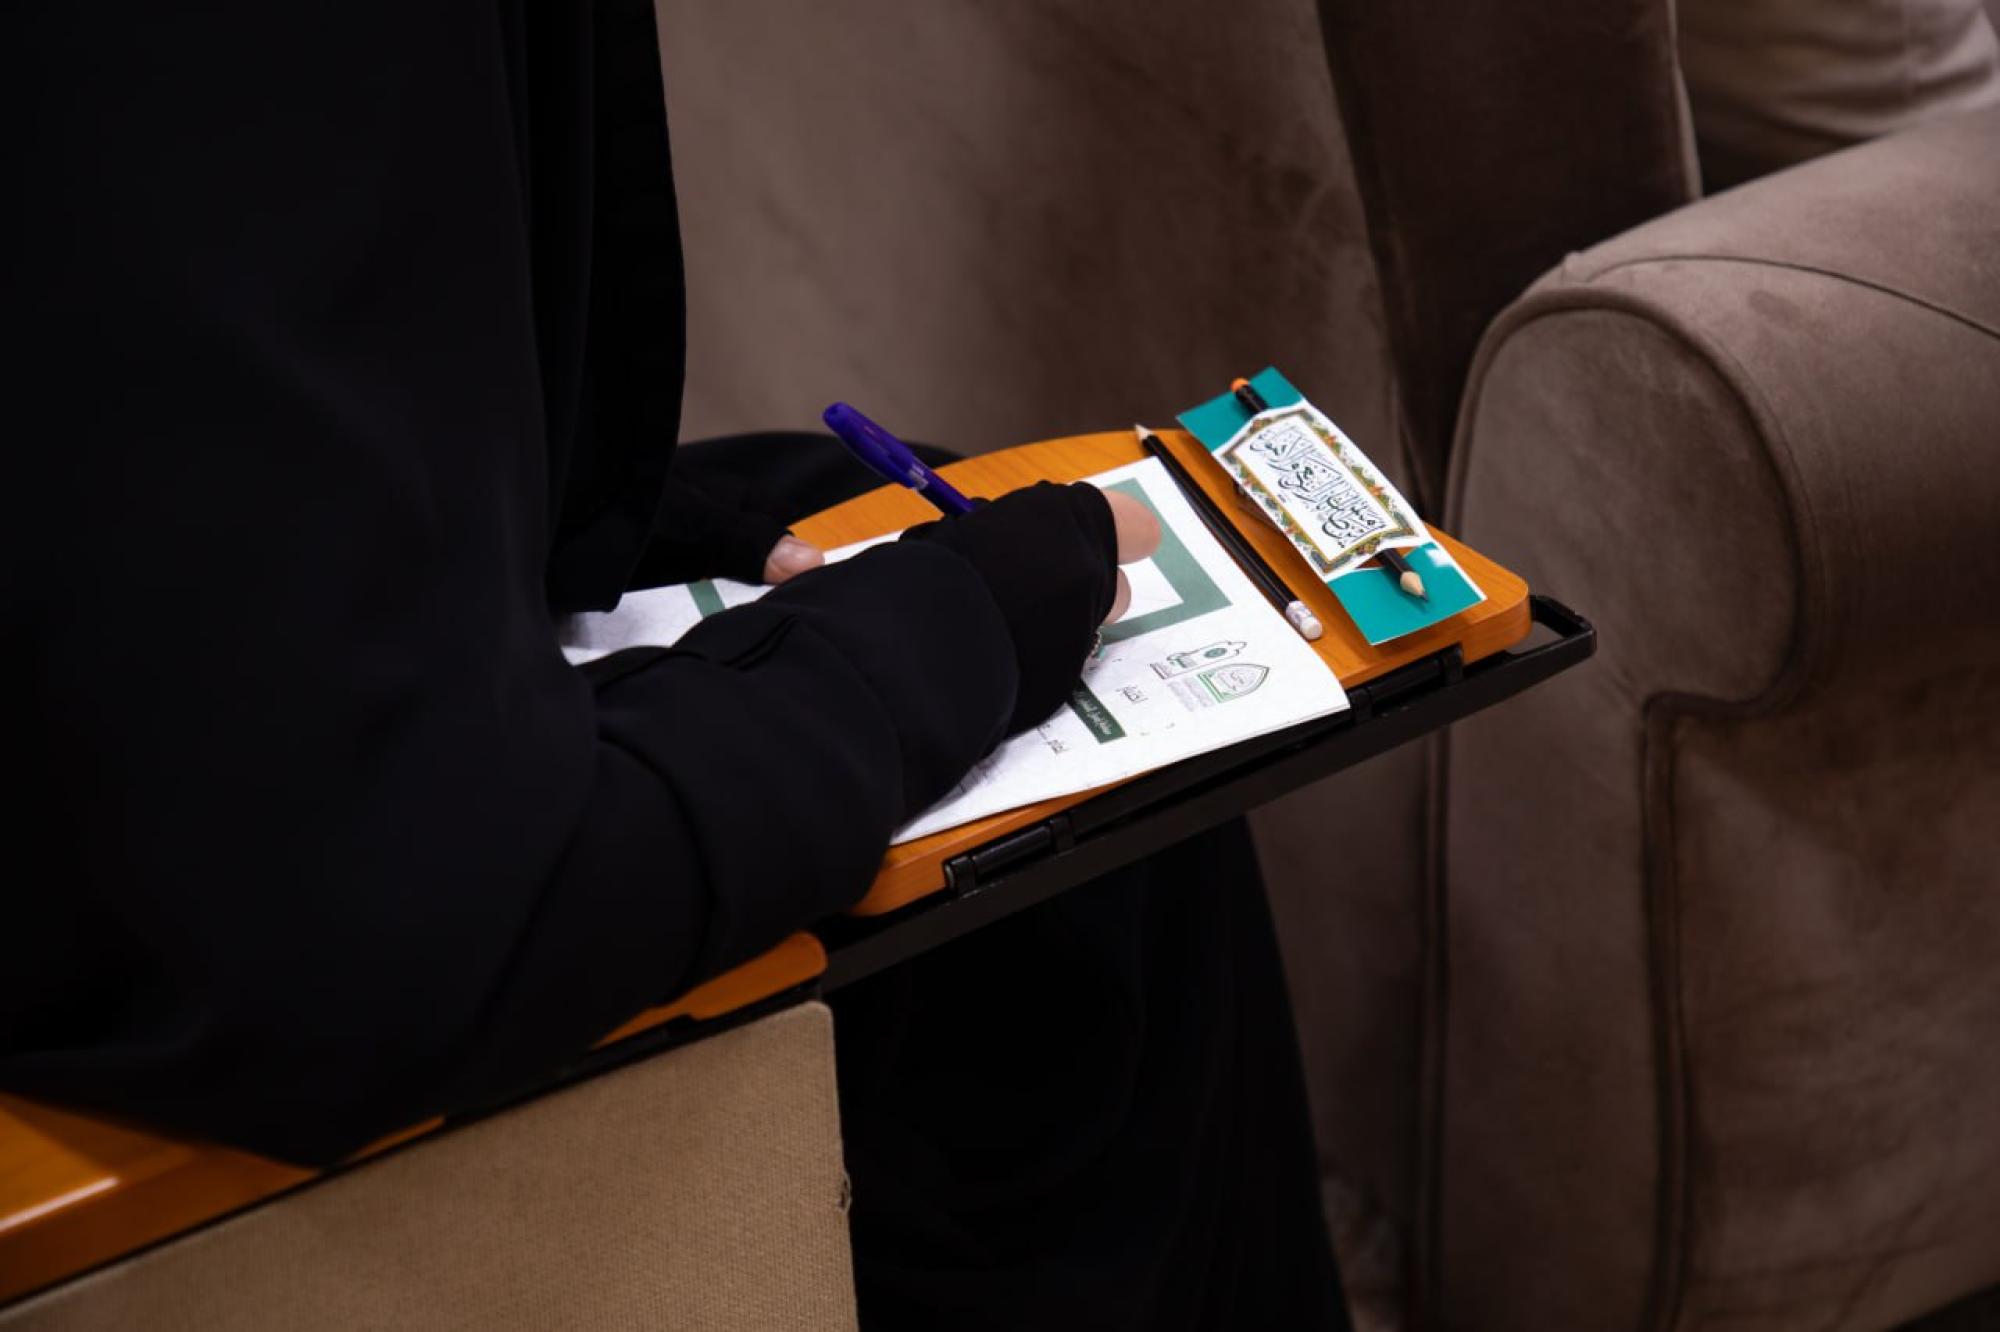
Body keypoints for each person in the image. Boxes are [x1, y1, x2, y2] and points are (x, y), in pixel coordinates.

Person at [2, 2, 1347, 1327]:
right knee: (1095, 875)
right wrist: (943, 643)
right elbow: (364, 921)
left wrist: (554, 505)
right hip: (275, 948)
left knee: (836, 504)